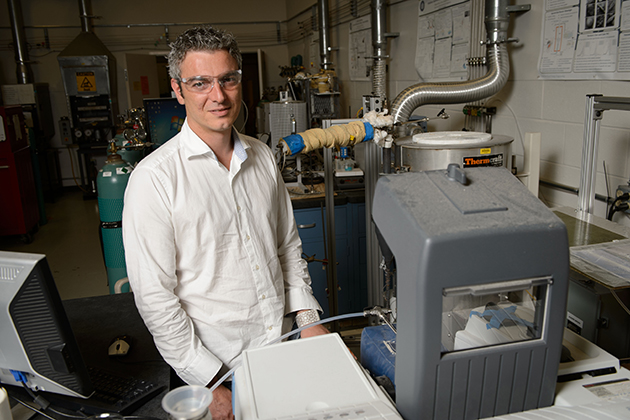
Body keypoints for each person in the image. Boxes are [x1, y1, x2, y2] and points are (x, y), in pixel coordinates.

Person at [122, 26, 328, 420]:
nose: (218, 96)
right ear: (178, 90)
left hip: (282, 348)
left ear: (239, 81)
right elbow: (156, 299)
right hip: (217, 370)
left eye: (228, 80)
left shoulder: (263, 156)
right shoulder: (154, 180)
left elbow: (286, 247)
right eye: (200, 83)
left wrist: (306, 320)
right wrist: (210, 382)